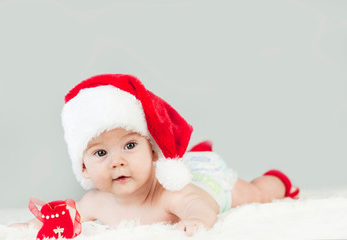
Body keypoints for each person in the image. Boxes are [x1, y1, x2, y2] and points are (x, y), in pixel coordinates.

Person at [16, 74, 299, 236]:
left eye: (129, 146)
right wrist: (34, 225)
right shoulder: (95, 202)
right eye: (101, 153)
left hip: (209, 179)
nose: (117, 161)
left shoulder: (170, 193)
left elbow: (198, 205)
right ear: (85, 169)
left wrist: (197, 221)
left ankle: (276, 181)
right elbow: (69, 215)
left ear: (152, 151)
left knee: (253, 194)